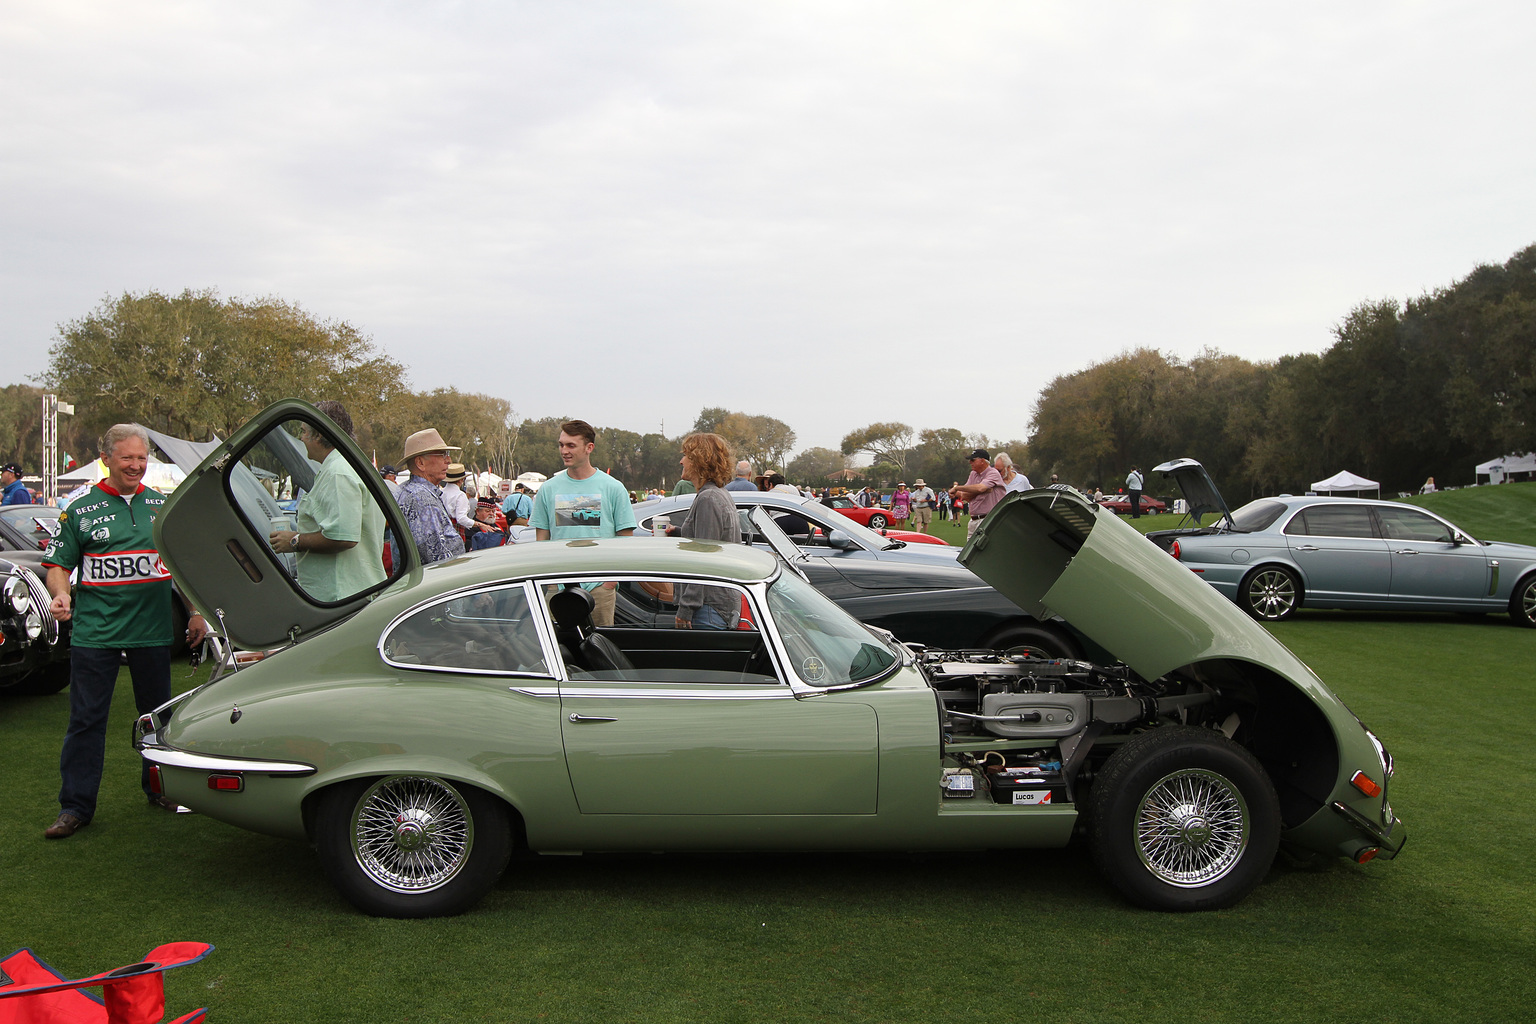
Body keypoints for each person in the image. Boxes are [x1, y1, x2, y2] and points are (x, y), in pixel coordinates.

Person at [40, 424, 209, 839]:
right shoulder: (79, 507)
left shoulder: (162, 506)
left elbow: (181, 566)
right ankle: (75, 808)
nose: (136, 465)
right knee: (85, 721)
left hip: (152, 634)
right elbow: (57, 565)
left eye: (141, 457)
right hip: (95, 635)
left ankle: (162, 790)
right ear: (107, 459)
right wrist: (60, 595)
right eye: (127, 457)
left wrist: (195, 612)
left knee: (159, 720)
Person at [267, 402, 385, 604]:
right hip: (351, 593)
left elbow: (344, 538)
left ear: (319, 435)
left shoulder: (338, 472)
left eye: (304, 432)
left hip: (342, 596)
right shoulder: (345, 465)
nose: (301, 438)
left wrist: (294, 541)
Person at [530, 420, 636, 626]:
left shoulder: (613, 487)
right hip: (559, 587)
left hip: (599, 588)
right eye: (561, 445)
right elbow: (541, 540)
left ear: (589, 448)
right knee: (558, 650)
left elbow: (625, 541)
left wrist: (608, 583)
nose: (564, 451)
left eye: (571, 445)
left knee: (597, 649)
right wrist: (551, 584)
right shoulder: (548, 488)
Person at [658, 433, 741, 630]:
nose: (681, 461)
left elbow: (705, 560)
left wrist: (687, 607)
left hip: (709, 607)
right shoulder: (718, 493)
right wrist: (678, 532)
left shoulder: (708, 498)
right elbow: (713, 541)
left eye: (686, 456)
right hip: (718, 604)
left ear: (700, 461)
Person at [394, 428, 467, 564]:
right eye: (442, 455)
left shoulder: (405, 490)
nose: (449, 460)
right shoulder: (423, 500)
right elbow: (438, 560)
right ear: (420, 463)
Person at [949, 448, 1006, 541]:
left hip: (987, 519)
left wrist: (957, 488)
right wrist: (978, 491)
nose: (970, 462)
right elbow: (965, 495)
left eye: (973, 460)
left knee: (986, 552)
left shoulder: (993, 473)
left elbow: (980, 488)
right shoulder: (973, 474)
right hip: (974, 520)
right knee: (970, 553)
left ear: (982, 461)